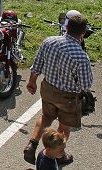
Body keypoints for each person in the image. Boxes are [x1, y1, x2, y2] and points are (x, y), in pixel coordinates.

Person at [23, 15, 93, 166]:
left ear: (66, 28)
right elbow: (86, 84)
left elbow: (37, 64)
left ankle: (32, 144)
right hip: (68, 97)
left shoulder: (49, 41)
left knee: (46, 117)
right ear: (83, 33)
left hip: (47, 88)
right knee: (64, 125)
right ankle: (59, 155)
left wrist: (32, 82)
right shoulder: (81, 56)